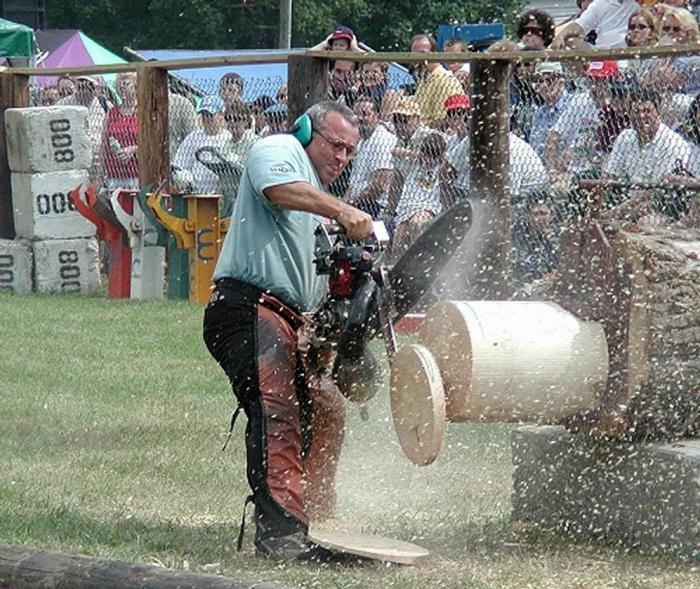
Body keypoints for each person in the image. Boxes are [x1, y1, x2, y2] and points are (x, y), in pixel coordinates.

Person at [202, 100, 372, 561]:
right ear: (304, 131)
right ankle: (282, 539)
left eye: (350, 152)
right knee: (279, 409)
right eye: (335, 145)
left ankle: (315, 518)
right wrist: (342, 211)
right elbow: (276, 188)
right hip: (247, 305)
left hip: (285, 317)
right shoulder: (280, 150)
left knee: (327, 408)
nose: (342, 158)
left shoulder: (315, 205)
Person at [345, 96, 397, 219]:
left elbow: (379, 186)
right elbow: (353, 185)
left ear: (377, 116)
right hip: (359, 203)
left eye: (365, 114)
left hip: (375, 206)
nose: (360, 118)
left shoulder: (382, 140)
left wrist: (351, 204)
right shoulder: (363, 140)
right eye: (356, 114)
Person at [172, 95, 231, 194]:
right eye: (204, 114)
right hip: (196, 192)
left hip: (220, 193)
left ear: (221, 115)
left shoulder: (227, 138)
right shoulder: (193, 137)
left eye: (210, 115)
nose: (206, 118)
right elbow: (179, 165)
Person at [410, 34, 465, 126]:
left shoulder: (445, 81)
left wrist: (419, 128)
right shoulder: (424, 80)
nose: (417, 59)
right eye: (413, 54)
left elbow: (445, 121)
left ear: (434, 54)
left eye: (422, 53)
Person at [101, 72, 139, 192]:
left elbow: (152, 142)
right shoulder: (112, 112)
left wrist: (133, 149)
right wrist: (102, 170)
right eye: (119, 86)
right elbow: (103, 143)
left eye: (126, 84)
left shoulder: (143, 111)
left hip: (137, 173)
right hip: (114, 172)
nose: (122, 88)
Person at [551, 0, 640, 49]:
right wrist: (560, 37)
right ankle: (581, 80)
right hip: (600, 53)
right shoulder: (600, 4)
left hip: (627, 54)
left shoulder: (636, 7)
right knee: (571, 42)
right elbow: (579, 25)